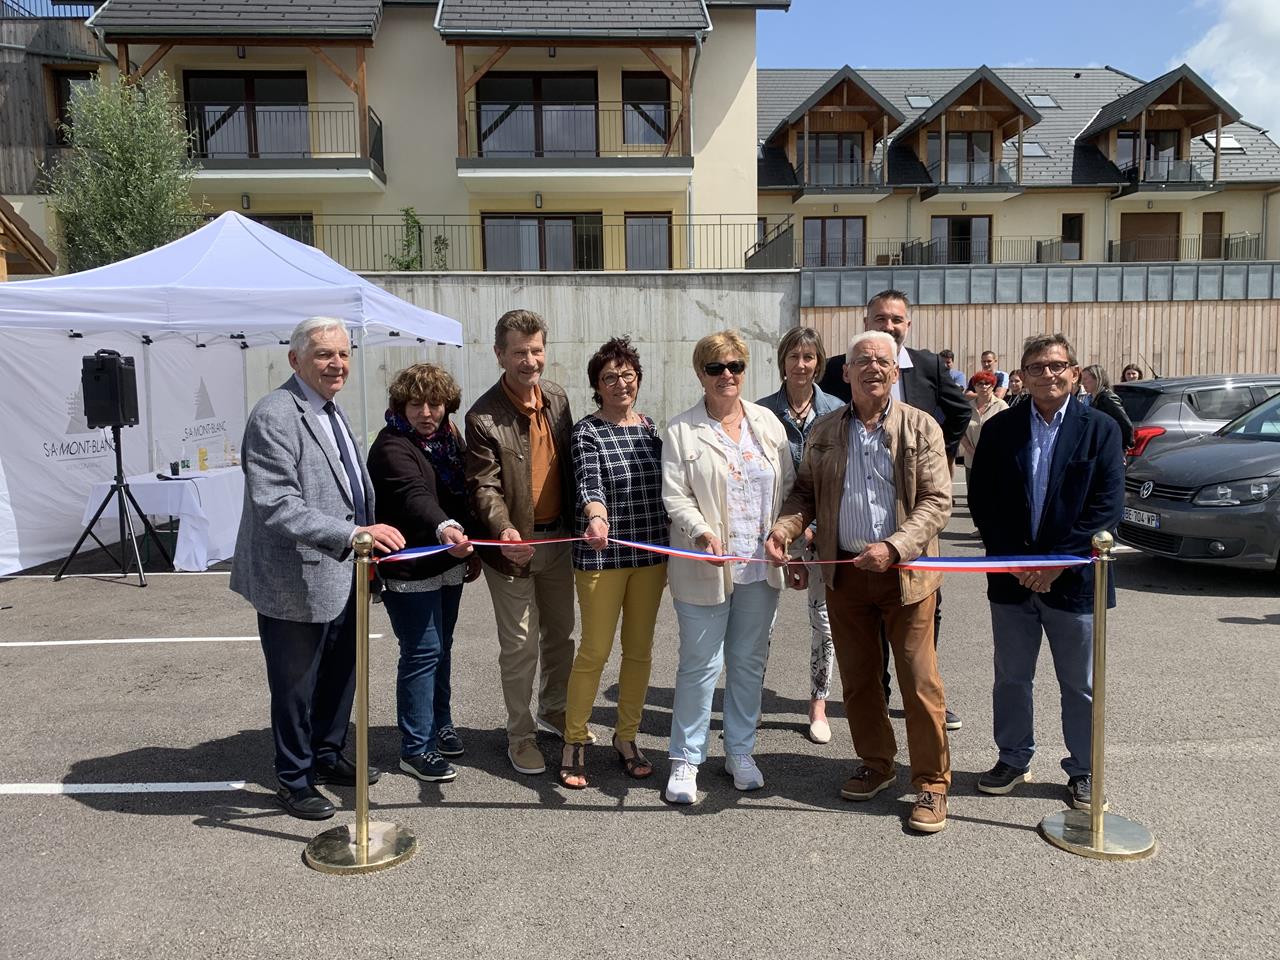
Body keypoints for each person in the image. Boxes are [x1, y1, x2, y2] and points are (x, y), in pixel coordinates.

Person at [766, 330, 953, 834]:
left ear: (896, 372)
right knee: (859, 681)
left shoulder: (922, 427)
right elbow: (804, 492)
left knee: (918, 681)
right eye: (861, 361)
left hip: (905, 576)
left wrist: (894, 546)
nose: (873, 368)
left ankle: (932, 782)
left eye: (883, 361)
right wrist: (785, 529)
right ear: (844, 373)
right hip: (845, 574)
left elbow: (937, 502)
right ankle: (876, 762)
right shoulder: (826, 429)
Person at [230, 317, 405, 821]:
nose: (337, 364)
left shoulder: (330, 409)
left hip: (345, 571)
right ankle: (294, 779)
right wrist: (351, 536)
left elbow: (349, 489)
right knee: (295, 688)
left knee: (339, 677)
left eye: (344, 354)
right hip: (294, 578)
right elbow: (276, 504)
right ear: (295, 360)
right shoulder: (274, 415)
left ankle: (327, 756)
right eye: (325, 354)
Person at [969, 333, 1124, 811]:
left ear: (1074, 372)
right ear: (1022, 375)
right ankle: (1014, 758)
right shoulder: (1000, 430)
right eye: (1036, 367)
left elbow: (1106, 509)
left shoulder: (1099, 429)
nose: (1048, 374)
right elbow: (983, 503)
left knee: (1079, 683)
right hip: (1013, 580)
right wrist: (1020, 563)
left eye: (1057, 365)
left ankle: (1083, 770)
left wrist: (1054, 566)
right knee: (1012, 678)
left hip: (1075, 583)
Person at [819, 289, 967, 729]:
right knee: (862, 668)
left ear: (908, 325)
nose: (888, 326)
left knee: (919, 664)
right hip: (849, 559)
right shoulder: (836, 373)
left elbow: (958, 414)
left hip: (911, 549)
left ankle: (927, 759)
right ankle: (877, 722)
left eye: (897, 319)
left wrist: (937, 453)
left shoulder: (926, 368)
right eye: (879, 318)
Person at [662, 330, 795, 804]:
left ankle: (740, 750)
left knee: (748, 664)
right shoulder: (681, 430)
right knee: (700, 665)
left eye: (735, 366)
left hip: (760, 568)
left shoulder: (768, 424)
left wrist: (786, 533)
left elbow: (790, 491)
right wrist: (701, 531)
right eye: (716, 368)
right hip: (705, 565)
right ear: (700, 373)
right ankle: (685, 758)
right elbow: (675, 495)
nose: (727, 375)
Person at [466, 309, 576, 777]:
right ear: (499, 355)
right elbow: (484, 485)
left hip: (561, 541)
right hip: (513, 549)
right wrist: (503, 529)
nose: (529, 361)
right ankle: (520, 734)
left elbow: (573, 462)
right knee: (519, 647)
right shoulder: (482, 417)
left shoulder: (556, 397)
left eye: (536, 350)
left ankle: (554, 708)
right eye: (518, 352)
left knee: (560, 638)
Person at [559, 337, 668, 789]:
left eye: (628, 376)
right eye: (610, 378)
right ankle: (574, 739)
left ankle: (626, 737)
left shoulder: (651, 430)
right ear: (597, 386)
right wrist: (596, 516)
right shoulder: (587, 431)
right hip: (602, 554)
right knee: (594, 651)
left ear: (638, 381)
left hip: (650, 556)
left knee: (639, 652)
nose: (620, 384)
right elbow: (590, 481)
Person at [367, 363, 481, 784]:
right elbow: (413, 495)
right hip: (409, 565)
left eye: (435, 403)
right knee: (421, 651)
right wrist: (446, 528)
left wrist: (472, 548)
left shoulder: (448, 441)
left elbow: (462, 492)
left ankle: (440, 723)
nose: (427, 412)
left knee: (442, 648)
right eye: (416, 404)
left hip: (447, 563)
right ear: (401, 405)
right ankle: (415, 747)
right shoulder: (391, 445)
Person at [756, 327, 843, 744]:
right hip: (773, 533)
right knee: (760, 622)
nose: (801, 365)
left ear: (819, 362)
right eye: (794, 356)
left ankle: (818, 703)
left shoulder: (837, 411)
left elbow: (841, 484)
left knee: (822, 623)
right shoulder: (760, 413)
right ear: (782, 362)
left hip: (822, 535)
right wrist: (784, 534)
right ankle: (749, 698)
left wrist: (810, 530)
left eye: (809, 357)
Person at [959, 370, 1008, 491]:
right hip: (972, 460)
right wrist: (971, 450)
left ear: (993, 386)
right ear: (974, 386)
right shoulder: (966, 408)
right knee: (974, 498)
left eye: (988, 383)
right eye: (980, 383)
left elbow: (1007, 433)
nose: (984, 387)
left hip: (995, 461)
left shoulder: (1002, 406)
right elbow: (961, 431)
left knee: (993, 498)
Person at [1081, 364, 1136, 450]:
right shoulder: (1092, 399)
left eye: (1085, 379)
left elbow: (1126, 425)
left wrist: (1123, 449)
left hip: (1110, 447)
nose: (1083, 383)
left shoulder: (1108, 398)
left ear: (1097, 379)